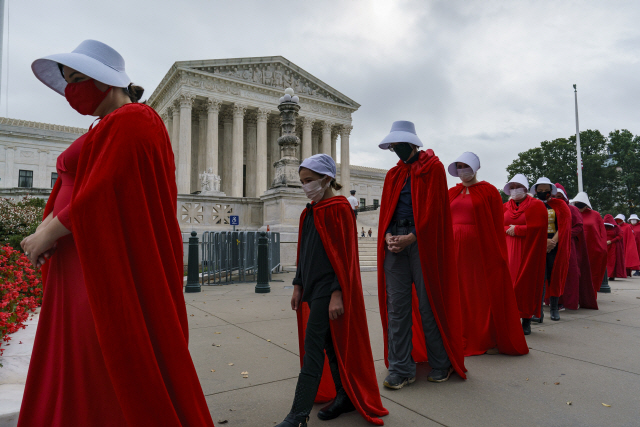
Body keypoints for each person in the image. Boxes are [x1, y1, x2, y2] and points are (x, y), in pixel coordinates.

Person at [19, 40, 214, 426]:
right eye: (67, 80)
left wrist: (48, 232)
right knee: (81, 357)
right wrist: (46, 230)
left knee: (102, 358)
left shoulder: (135, 118)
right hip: (80, 258)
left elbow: (107, 187)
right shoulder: (106, 125)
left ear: (106, 79)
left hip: (100, 264)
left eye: (78, 79)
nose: (71, 90)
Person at [281, 154, 387, 426]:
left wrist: (337, 293)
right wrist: (297, 285)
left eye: (309, 181)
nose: (305, 186)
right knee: (329, 344)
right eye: (302, 181)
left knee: (313, 347)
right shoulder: (310, 211)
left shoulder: (340, 208)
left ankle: (298, 414)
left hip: (328, 291)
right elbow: (304, 254)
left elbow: (344, 257)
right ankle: (345, 395)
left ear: (326, 179)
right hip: (311, 288)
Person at [376, 121, 466, 390]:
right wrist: (387, 236)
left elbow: (436, 210)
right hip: (396, 242)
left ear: (412, 143)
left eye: (398, 145)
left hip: (422, 243)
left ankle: (441, 363)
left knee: (429, 305)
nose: (395, 150)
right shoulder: (393, 175)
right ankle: (401, 368)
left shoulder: (434, 168)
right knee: (398, 308)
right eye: (392, 146)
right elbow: (386, 212)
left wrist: (412, 236)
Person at [447, 152, 528, 356]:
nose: (461, 170)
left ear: (474, 167)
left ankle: (482, 334)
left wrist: (497, 252)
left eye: (465, 165)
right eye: (458, 166)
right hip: (453, 248)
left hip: (478, 250)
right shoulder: (451, 193)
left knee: (477, 291)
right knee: (457, 291)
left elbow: (495, 223)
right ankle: (458, 333)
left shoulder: (489, 191)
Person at [502, 174, 547, 335]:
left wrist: (519, 229)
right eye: (512, 187)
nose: (514, 190)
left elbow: (540, 228)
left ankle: (526, 320)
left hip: (527, 250)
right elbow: (497, 223)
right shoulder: (504, 206)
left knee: (525, 284)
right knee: (508, 285)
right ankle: (510, 319)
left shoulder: (536, 205)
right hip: (508, 249)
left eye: (517, 186)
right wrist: (508, 228)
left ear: (525, 188)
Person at [529, 178, 571, 322]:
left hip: (555, 246)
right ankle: (538, 312)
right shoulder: (531, 205)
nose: (542, 193)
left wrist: (553, 241)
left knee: (554, 277)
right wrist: (543, 241)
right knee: (539, 278)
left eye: (545, 190)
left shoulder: (560, 204)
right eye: (539, 190)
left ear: (551, 190)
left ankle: (554, 308)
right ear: (535, 191)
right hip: (537, 245)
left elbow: (564, 225)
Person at [553, 184, 597, 310]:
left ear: (564, 196)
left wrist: (564, 235)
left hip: (568, 245)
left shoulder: (573, 210)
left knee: (570, 273)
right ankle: (555, 301)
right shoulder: (548, 208)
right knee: (553, 274)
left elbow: (578, 226)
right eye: (554, 196)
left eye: (559, 196)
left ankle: (569, 301)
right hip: (551, 245)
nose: (556, 198)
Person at [571, 192, 608, 291]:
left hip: (592, 249)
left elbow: (602, 232)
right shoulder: (572, 213)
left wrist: (602, 249)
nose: (579, 203)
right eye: (577, 202)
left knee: (591, 273)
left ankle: (590, 294)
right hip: (576, 247)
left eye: (581, 202)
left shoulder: (595, 215)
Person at [604, 214, 626, 280]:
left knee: (612, 261)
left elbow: (620, 236)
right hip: (604, 245)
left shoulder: (617, 227)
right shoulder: (602, 226)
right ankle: (604, 275)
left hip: (613, 246)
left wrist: (611, 241)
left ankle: (611, 275)